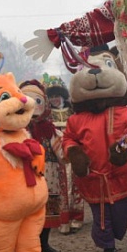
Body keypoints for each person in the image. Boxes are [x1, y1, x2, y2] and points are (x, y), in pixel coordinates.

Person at [20, 79, 63, 252]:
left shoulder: (48, 127)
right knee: (29, 213)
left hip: (50, 174)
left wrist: (69, 153)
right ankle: (31, 247)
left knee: (48, 210)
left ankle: (44, 243)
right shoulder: (17, 128)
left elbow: (60, 148)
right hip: (25, 176)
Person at [46, 84, 84, 235]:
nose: (55, 99)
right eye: (52, 96)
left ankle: (77, 218)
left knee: (75, 187)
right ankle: (57, 220)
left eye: (57, 96)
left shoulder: (72, 112)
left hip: (71, 153)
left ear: (62, 96)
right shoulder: (46, 115)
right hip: (53, 157)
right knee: (55, 186)